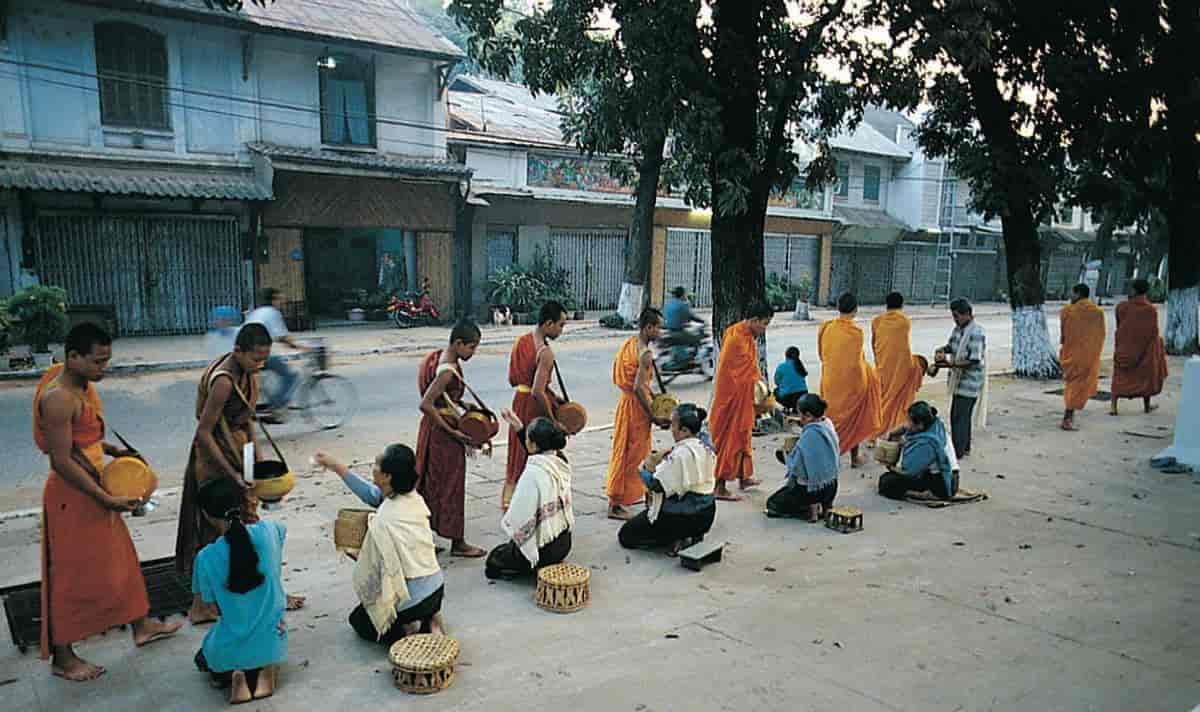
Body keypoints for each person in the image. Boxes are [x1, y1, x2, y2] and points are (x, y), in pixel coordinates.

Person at [33, 323, 181, 681]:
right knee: (68, 576)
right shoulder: (58, 398)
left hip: (98, 490)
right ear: (73, 357)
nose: (104, 369)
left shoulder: (83, 388)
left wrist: (117, 451)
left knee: (122, 561)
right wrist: (105, 498)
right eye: (98, 362)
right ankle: (63, 657)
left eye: (107, 361)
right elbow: (62, 459)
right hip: (73, 497)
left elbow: (86, 438)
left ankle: (141, 624)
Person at [177, 323, 304, 624]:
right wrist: (233, 475)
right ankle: (202, 605)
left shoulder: (249, 373)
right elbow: (204, 432)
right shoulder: (223, 381)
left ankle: (269, 593)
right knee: (211, 534)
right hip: (215, 460)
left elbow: (247, 419)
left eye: (264, 359)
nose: (260, 365)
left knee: (250, 525)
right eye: (255, 359)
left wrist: (256, 464)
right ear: (238, 351)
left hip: (240, 453)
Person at [314, 445, 446, 645]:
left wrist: (352, 551)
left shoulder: (384, 520)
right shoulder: (413, 498)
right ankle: (433, 619)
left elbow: (379, 572)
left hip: (413, 600)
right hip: (436, 590)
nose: (372, 467)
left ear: (386, 477)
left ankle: (410, 630)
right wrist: (336, 466)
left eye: (376, 464)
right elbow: (372, 494)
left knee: (359, 621)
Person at [191, 477, 288, 704]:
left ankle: (234, 675)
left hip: (226, 649)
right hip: (273, 643)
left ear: (206, 515)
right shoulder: (269, 532)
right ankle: (262, 671)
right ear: (244, 505)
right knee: (261, 643)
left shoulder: (205, 557)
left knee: (203, 656)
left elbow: (207, 610)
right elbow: (280, 534)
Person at [414, 320, 486, 557]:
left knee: (430, 485)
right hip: (442, 436)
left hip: (433, 432)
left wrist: (461, 403)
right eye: (472, 348)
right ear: (458, 343)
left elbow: (442, 399)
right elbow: (426, 404)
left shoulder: (442, 358)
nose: (473, 353)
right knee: (451, 487)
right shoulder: (447, 369)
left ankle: (423, 539)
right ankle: (458, 543)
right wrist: (453, 431)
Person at [618, 403, 716, 554]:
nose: (672, 430)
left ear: (684, 430)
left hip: (683, 518)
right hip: (707, 514)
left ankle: (675, 537)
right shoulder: (706, 444)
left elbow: (656, 484)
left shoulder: (680, 455)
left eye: (673, 425)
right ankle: (692, 536)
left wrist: (643, 470)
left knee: (626, 535)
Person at [486, 414, 574, 580]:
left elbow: (518, 518)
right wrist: (519, 427)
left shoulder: (532, 474)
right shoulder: (560, 461)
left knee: (494, 560)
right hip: (563, 545)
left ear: (533, 445)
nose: (525, 442)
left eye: (527, 438)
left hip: (543, 553)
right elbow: (537, 452)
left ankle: (528, 568)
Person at [606, 307, 669, 520]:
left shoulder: (631, 344)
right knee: (634, 456)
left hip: (625, 404)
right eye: (659, 328)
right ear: (648, 327)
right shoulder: (645, 354)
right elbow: (639, 387)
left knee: (624, 452)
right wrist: (653, 414)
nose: (661, 332)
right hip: (636, 409)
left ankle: (633, 496)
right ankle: (616, 503)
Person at [503, 301, 568, 509]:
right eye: (560, 325)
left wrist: (554, 396)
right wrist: (553, 419)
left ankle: (509, 500)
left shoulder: (522, 341)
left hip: (519, 400)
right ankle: (528, 504)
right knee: (535, 452)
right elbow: (538, 391)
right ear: (548, 323)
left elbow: (517, 380)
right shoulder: (545, 352)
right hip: (533, 406)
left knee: (516, 453)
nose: (561, 330)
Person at [709, 302, 773, 501]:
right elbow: (733, 372)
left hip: (743, 397)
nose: (764, 329)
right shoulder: (736, 338)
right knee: (730, 441)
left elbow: (749, 366)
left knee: (743, 437)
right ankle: (719, 486)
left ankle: (743, 477)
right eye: (764, 324)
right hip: (731, 398)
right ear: (753, 320)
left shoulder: (744, 334)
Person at [818, 293, 883, 467]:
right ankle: (854, 459)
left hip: (830, 381)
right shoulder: (856, 333)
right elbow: (856, 363)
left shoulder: (826, 327)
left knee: (830, 420)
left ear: (838, 307)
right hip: (851, 384)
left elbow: (822, 355)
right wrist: (869, 377)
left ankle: (826, 453)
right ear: (855, 309)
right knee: (855, 419)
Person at [765, 394, 840, 521]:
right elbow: (815, 428)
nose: (799, 418)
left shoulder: (808, 436)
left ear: (808, 415)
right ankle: (826, 506)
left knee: (772, 504)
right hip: (831, 485)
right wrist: (798, 422)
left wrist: (786, 456)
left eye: (800, 415)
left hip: (811, 490)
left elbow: (797, 468)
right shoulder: (828, 424)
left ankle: (810, 509)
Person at [245, 288, 307, 424]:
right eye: (280, 299)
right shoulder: (273, 313)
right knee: (291, 376)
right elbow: (283, 337)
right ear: (273, 300)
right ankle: (276, 408)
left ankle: (267, 404)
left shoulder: (258, 311)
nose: (282, 302)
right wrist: (301, 347)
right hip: (258, 352)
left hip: (245, 351)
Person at [937, 298, 987, 458]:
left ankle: (957, 451)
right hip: (958, 380)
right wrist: (942, 350)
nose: (955, 320)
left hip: (970, 382)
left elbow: (974, 360)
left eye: (957, 316)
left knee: (959, 417)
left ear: (967, 315)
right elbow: (951, 346)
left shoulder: (976, 332)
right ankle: (964, 447)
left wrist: (952, 364)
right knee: (960, 416)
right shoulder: (958, 330)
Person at [1110, 278, 1169, 416]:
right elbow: (1153, 332)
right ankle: (1147, 406)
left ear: (1134, 290)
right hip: (1144, 349)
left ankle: (1114, 407)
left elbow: (1120, 325)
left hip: (1124, 347)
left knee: (1119, 377)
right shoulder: (1150, 310)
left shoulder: (1122, 307)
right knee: (1144, 377)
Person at [878, 401, 958, 501]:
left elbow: (908, 472)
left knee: (887, 482)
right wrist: (890, 433)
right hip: (947, 476)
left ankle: (926, 494)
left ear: (920, 425)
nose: (907, 423)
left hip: (943, 485)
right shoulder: (934, 423)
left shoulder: (927, 443)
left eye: (909, 421)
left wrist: (889, 465)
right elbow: (905, 427)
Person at [872, 292, 926, 436]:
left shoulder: (876, 321)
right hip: (901, 368)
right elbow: (903, 346)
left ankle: (875, 431)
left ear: (886, 305)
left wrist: (879, 361)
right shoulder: (904, 321)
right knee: (896, 399)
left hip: (882, 365)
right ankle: (892, 429)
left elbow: (874, 344)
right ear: (902, 305)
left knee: (881, 399)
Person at [1059, 284, 1107, 431]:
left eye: (1072, 294)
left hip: (1072, 354)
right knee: (1077, 386)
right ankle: (1068, 417)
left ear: (1078, 294)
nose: (1070, 297)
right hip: (1088, 355)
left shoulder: (1067, 311)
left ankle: (1068, 417)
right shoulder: (1098, 312)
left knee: (1073, 385)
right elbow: (1101, 335)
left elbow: (1064, 335)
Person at [663, 286, 704, 365]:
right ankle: (688, 360)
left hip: (669, 331)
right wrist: (702, 321)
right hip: (678, 332)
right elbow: (691, 317)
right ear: (682, 295)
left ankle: (681, 356)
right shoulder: (682, 305)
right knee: (696, 339)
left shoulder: (667, 304)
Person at [773, 346, 809, 413]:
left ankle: (786, 408)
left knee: (775, 392)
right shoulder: (800, 366)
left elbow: (776, 382)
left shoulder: (781, 366)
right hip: (803, 396)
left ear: (786, 355)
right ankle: (796, 409)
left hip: (788, 398)